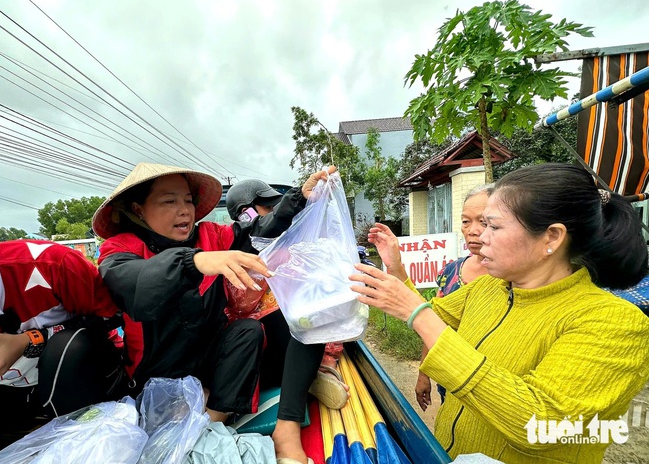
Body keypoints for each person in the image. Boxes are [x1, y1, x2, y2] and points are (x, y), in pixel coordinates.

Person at [350, 163, 649, 463]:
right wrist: (397, 271)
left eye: (493, 225)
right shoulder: (490, 288)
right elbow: (429, 316)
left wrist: (419, 313)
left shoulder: (615, 322)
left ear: (552, 237)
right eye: (474, 224)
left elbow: (539, 424)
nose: (480, 236)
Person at [94, 163, 335, 464]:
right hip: (159, 374)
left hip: (209, 363)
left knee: (248, 330)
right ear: (138, 209)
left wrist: (299, 197)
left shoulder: (211, 236)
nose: (184, 210)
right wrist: (195, 262)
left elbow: (258, 231)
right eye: (169, 201)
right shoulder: (121, 248)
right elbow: (130, 283)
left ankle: (213, 423)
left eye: (188, 200)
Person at [0, 200, 127, 461]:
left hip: (79, 385)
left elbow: (113, 318)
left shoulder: (51, 262)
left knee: (69, 348)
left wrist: (31, 340)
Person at [224, 179, 348, 464]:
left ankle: (319, 372)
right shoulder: (235, 252)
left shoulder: (286, 246)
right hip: (253, 357)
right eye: (267, 206)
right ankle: (307, 387)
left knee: (311, 312)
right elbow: (242, 304)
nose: (275, 211)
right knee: (287, 316)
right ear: (246, 216)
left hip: (289, 354)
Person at [412, 184, 494, 408]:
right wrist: (424, 374)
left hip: (492, 388)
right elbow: (435, 323)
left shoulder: (513, 278)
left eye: (484, 221)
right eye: (466, 221)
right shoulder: (450, 273)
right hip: (449, 381)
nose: (472, 230)